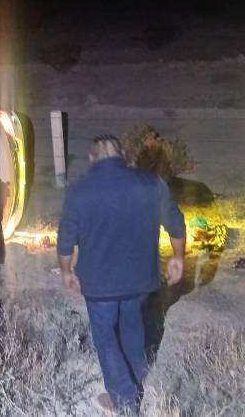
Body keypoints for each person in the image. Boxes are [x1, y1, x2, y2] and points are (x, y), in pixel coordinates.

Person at [57, 135, 186, 414]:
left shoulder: (79, 190)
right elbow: (176, 223)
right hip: (140, 279)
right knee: (132, 326)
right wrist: (177, 257)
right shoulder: (151, 183)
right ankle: (134, 382)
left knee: (105, 336)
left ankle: (125, 399)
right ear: (124, 155)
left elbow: (66, 239)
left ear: (92, 158)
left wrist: (67, 271)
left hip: (99, 283)